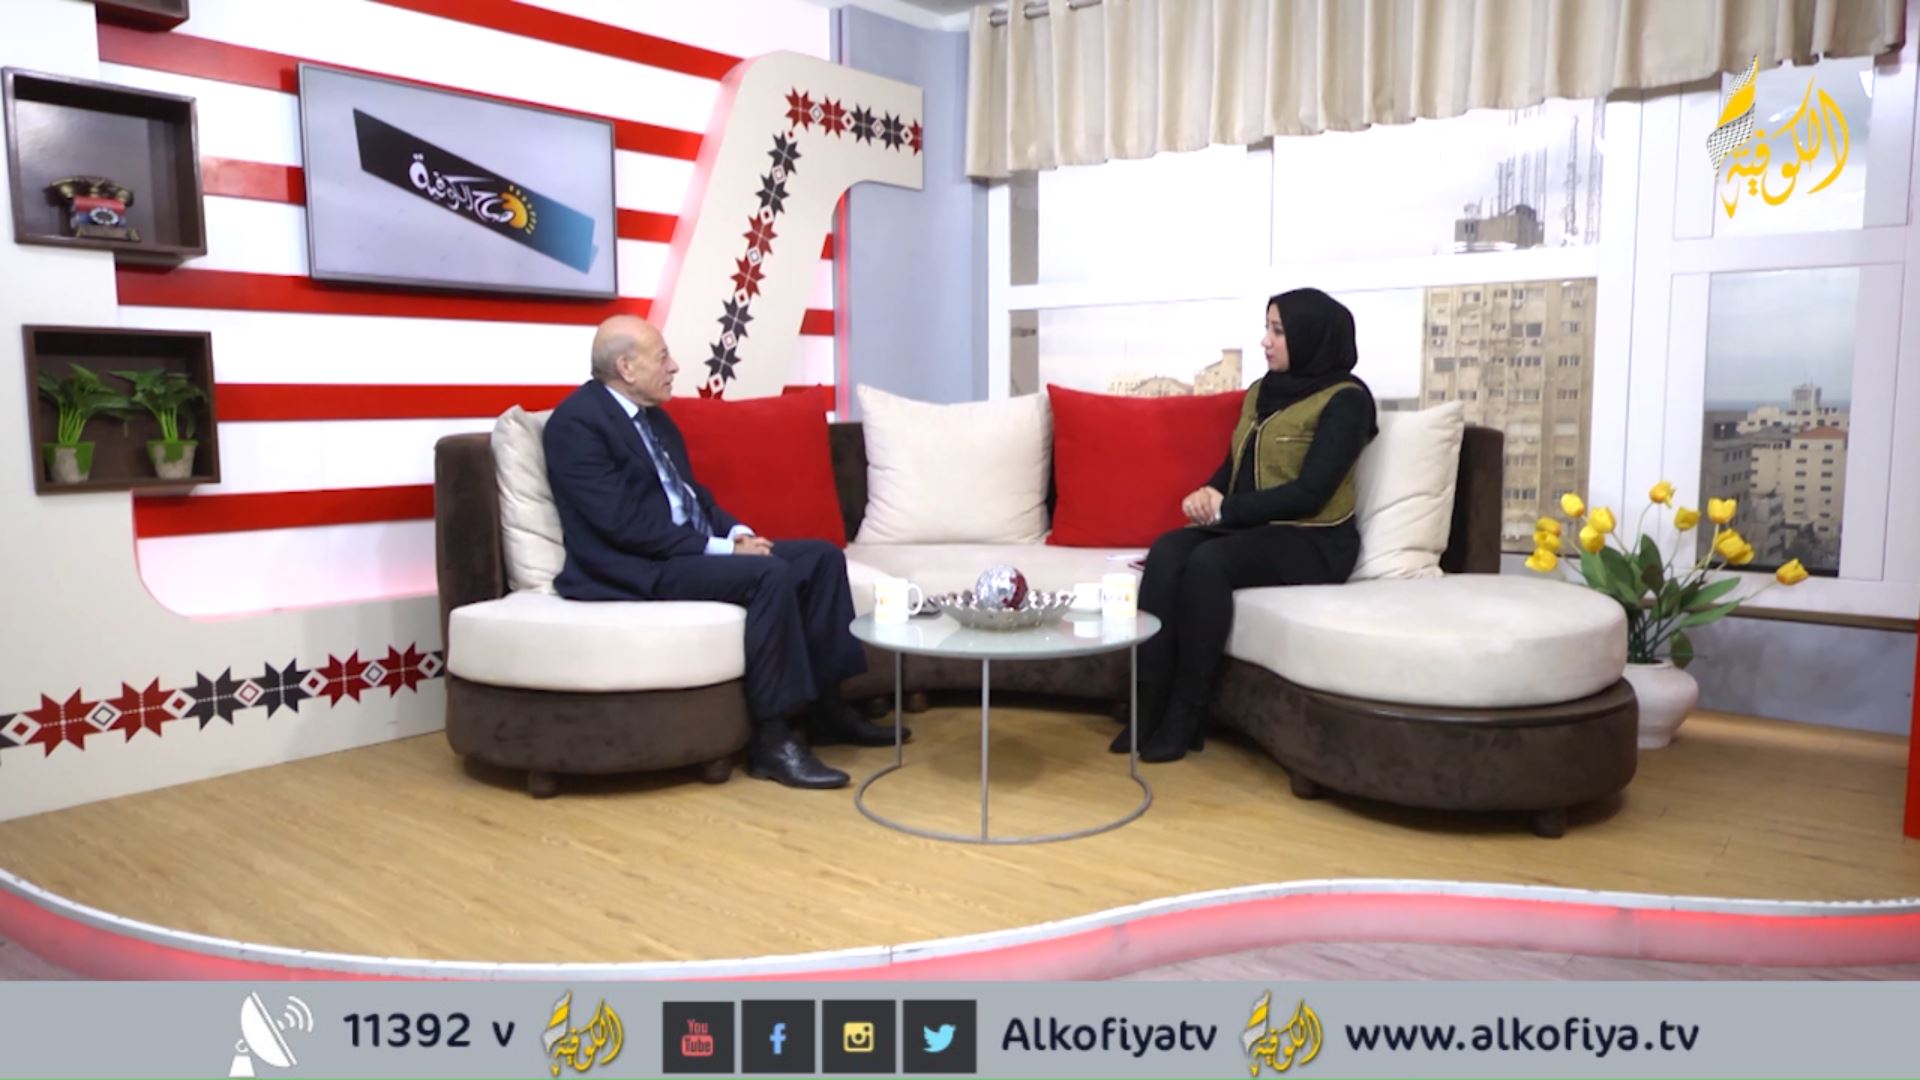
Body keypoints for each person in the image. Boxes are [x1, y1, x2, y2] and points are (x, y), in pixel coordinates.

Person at [542, 315, 905, 790]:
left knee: (820, 558)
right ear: (626, 367)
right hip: (634, 568)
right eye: (662, 357)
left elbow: (694, 498)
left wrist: (738, 534)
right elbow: (623, 526)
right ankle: (773, 740)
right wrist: (723, 550)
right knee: (768, 575)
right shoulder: (576, 426)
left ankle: (827, 708)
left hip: (681, 553)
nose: (674, 366)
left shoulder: (654, 419)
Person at [1117, 289, 1379, 763]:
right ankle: (1146, 703)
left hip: (1314, 538)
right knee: (1169, 549)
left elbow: (1312, 492)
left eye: (1278, 331)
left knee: (1209, 561)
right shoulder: (1262, 391)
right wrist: (1209, 491)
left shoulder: (1347, 400)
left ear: (1310, 337)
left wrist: (1227, 510)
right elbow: (1235, 462)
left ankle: (1187, 714)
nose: (1265, 341)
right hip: (1254, 527)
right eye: (1267, 328)